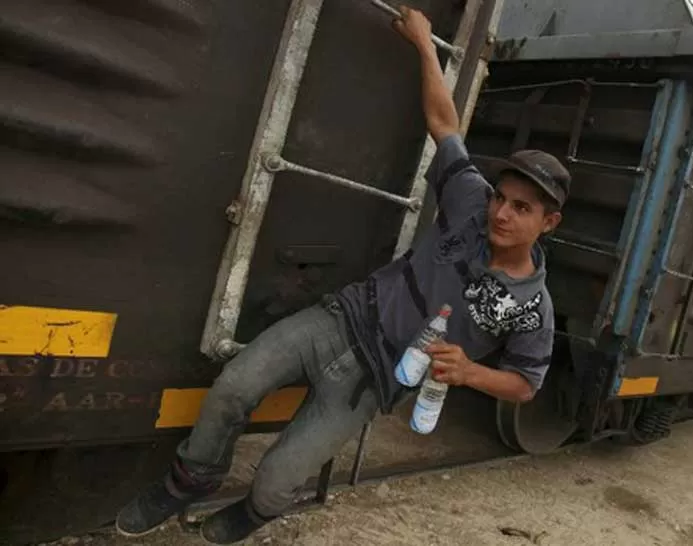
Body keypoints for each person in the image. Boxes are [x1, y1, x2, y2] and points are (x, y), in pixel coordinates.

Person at [115, 5, 571, 544]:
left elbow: (524, 386)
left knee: (275, 484)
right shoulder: (471, 206)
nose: (501, 213)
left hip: (370, 382)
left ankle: (253, 513)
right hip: (341, 319)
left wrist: (470, 373)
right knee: (234, 386)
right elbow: (445, 124)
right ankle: (189, 479)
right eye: (503, 197)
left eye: (522, 208)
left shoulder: (530, 308)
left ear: (549, 222)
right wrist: (426, 45)